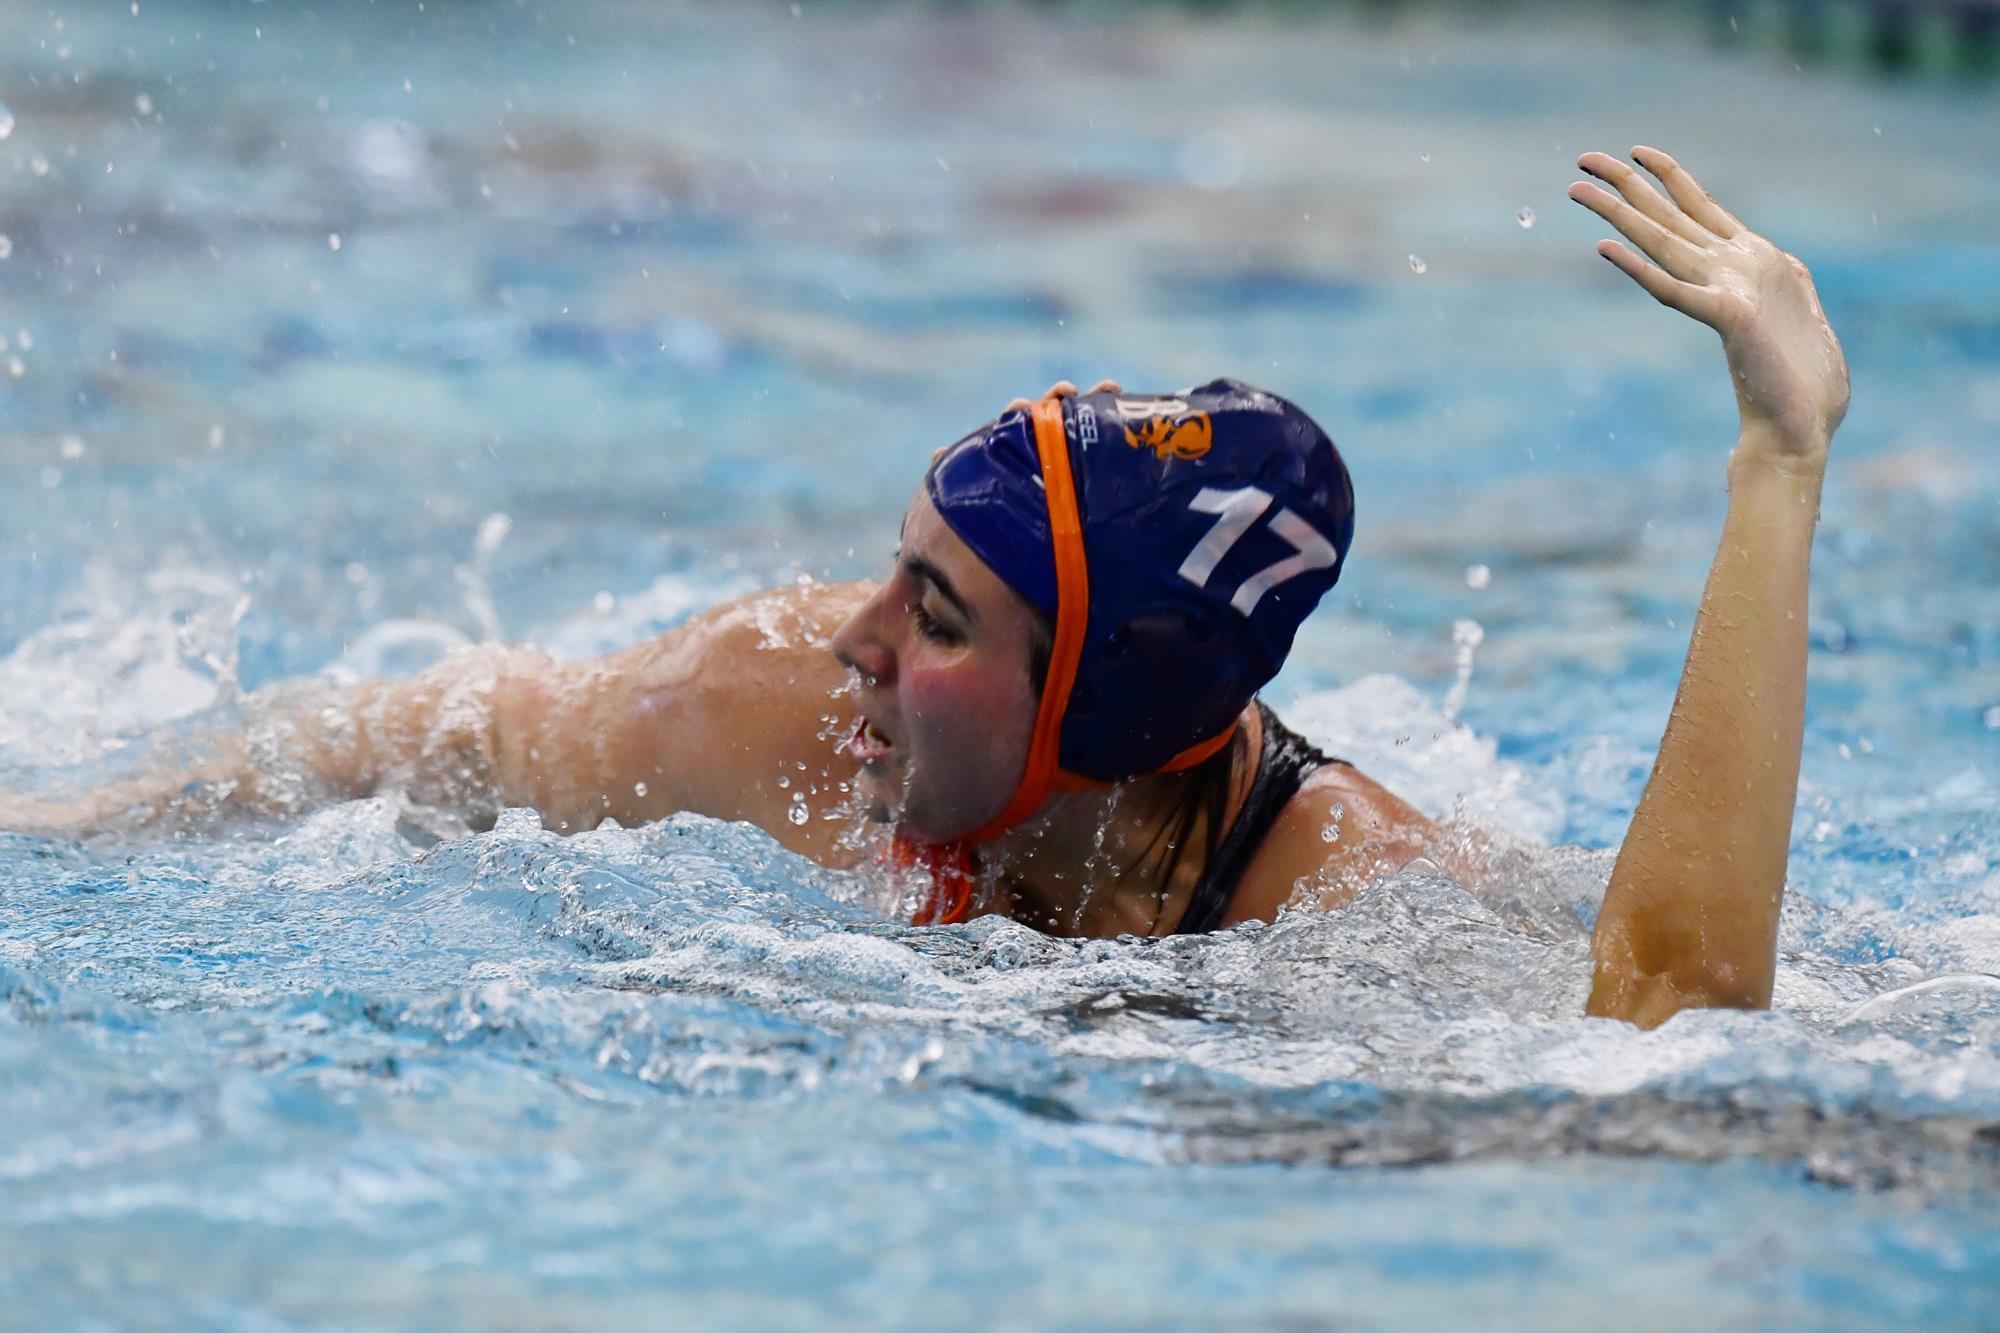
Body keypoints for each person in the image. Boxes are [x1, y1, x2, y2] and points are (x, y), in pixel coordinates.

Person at [0, 147, 1848, 1030]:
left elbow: (1676, 1024)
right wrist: (52, 814)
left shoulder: (1352, 909)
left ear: (1105, 717)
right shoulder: (767, 710)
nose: (850, 642)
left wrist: (1777, 464)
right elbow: (429, 732)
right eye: (900, 573)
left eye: (942, 620)